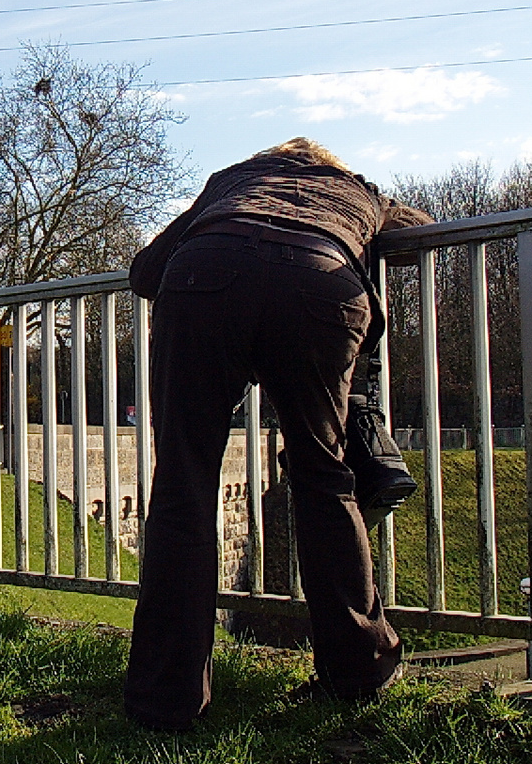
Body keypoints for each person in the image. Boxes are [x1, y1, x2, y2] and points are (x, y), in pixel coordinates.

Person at [122, 138, 433, 733]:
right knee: (324, 477)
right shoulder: (357, 191)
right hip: (321, 283)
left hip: (203, 277)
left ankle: (166, 699)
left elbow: (145, 271)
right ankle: (357, 671)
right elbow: (417, 226)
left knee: (182, 485)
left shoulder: (231, 180)